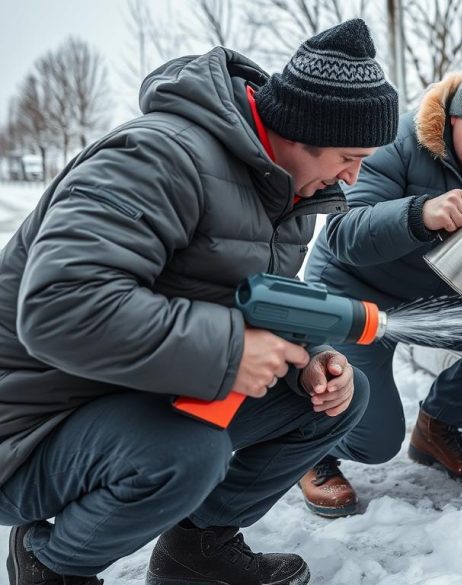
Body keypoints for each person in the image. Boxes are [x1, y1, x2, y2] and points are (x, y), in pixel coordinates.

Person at [0, 18, 398, 585]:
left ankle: (199, 548)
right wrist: (233, 350)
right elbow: (60, 305)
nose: (353, 179)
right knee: (189, 452)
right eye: (349, 156)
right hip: (30, 427)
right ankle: (51, 560)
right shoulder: (157, 156)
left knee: (337, 399)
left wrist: (307, 360)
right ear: (300, 130)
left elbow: (244, 302)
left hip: (130, 392)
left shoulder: (289, 190)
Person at [299, 40, 462, 517]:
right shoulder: (400, 141)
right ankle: (309, 450)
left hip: (442, 295)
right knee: (375, 441)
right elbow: (343, 232)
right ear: (454, 117)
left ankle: (437, 427)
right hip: (357, 294)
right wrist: (421, 214)